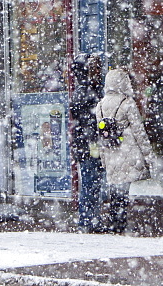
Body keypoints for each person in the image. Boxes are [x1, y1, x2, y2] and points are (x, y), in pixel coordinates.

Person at [95, 67, 158, 234]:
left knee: (115, 189)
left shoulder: (100, 106)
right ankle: (120, 223)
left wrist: (103, 159)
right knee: (123, 190)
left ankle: (114, 222)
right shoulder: (127, 103)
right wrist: (148, 155)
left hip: (110, 152)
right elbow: (139, 132)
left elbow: (101, 135)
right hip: (127, 151)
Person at [71, 54, 104, 231]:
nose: (98, 72)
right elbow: (87, 121)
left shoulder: (90, 90)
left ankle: (90, 219)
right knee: (91, 182)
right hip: (89, 145)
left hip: (90, 144)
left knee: (93, 182)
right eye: (94, 68)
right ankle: (88, 220)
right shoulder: (85, 92)